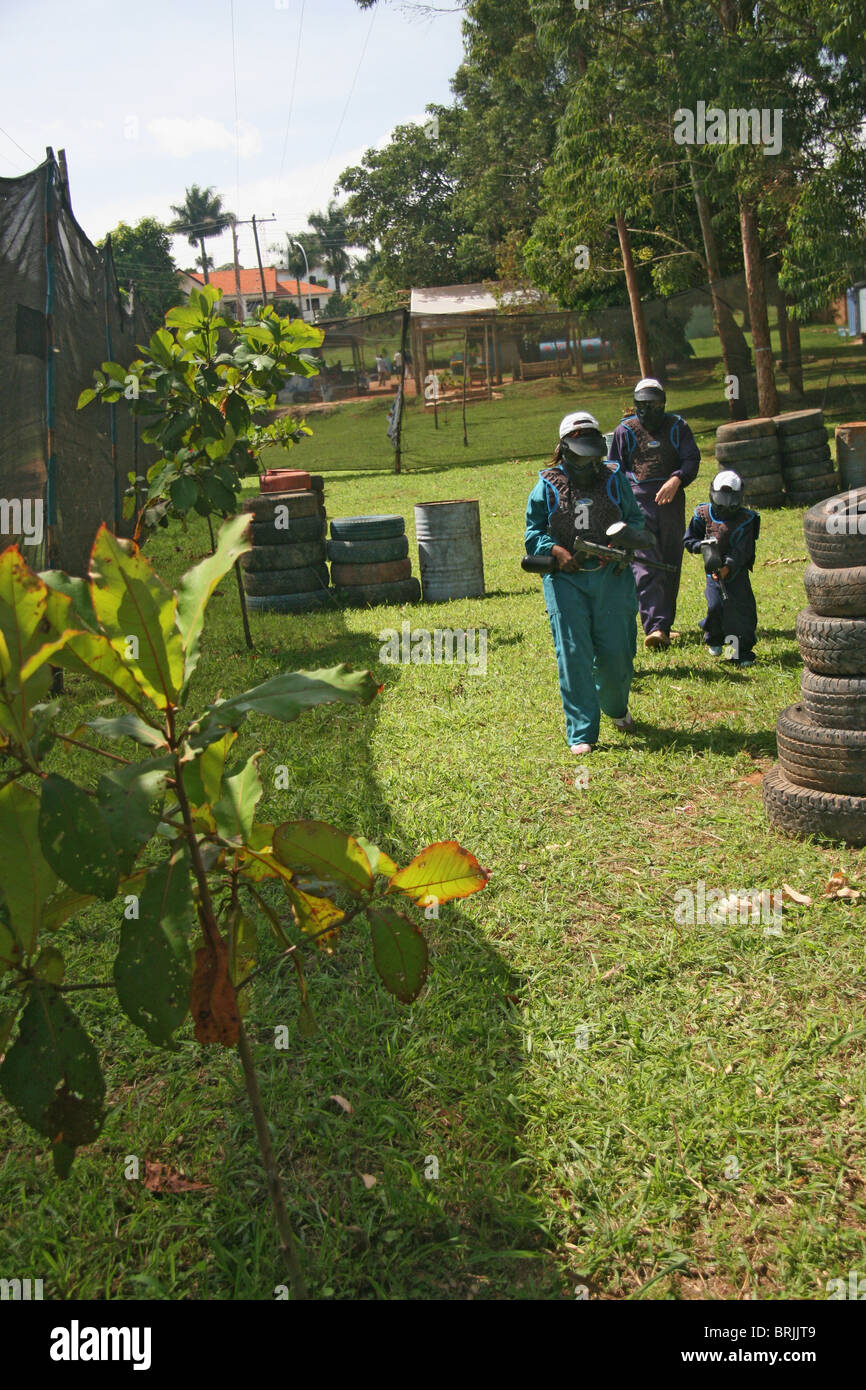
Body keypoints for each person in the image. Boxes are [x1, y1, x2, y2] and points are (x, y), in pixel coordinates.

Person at [525, 411, 649, 755]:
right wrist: (555, 551)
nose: (587, 461)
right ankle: (581, 731)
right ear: (564, 450)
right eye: (579, 453)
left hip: (612, 577)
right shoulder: (547, 485)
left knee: (617, 655)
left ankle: (614, 705)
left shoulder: (614, 479)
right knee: (574, 654)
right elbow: (533, 532)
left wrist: (621, 543)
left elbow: (635, 520)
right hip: (566, 580)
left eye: (592, 453)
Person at [609, 377, 701, 650]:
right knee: (647, 564)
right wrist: (627, 498)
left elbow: (691, 459)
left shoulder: (678, 427)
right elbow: (613, 469)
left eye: (654, 406)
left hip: (671, 503)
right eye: (642, 407)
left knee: (670, 562)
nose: (648, 413)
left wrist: (676, 480)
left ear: (663, 404)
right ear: (635, 406)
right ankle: (656, 627)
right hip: (638, 506)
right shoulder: (624, 430)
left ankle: (664, 623)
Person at [683, 470, 760, 667]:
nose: (725, 506)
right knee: (715, 607)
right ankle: (714, 638)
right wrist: (702, 547)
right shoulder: (702, 514)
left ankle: (741, 653)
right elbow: (689, 539)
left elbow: (743, 550)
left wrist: (728, 567)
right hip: (713, 575)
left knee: (741, 614)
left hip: (737, 575)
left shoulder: (747, 520)